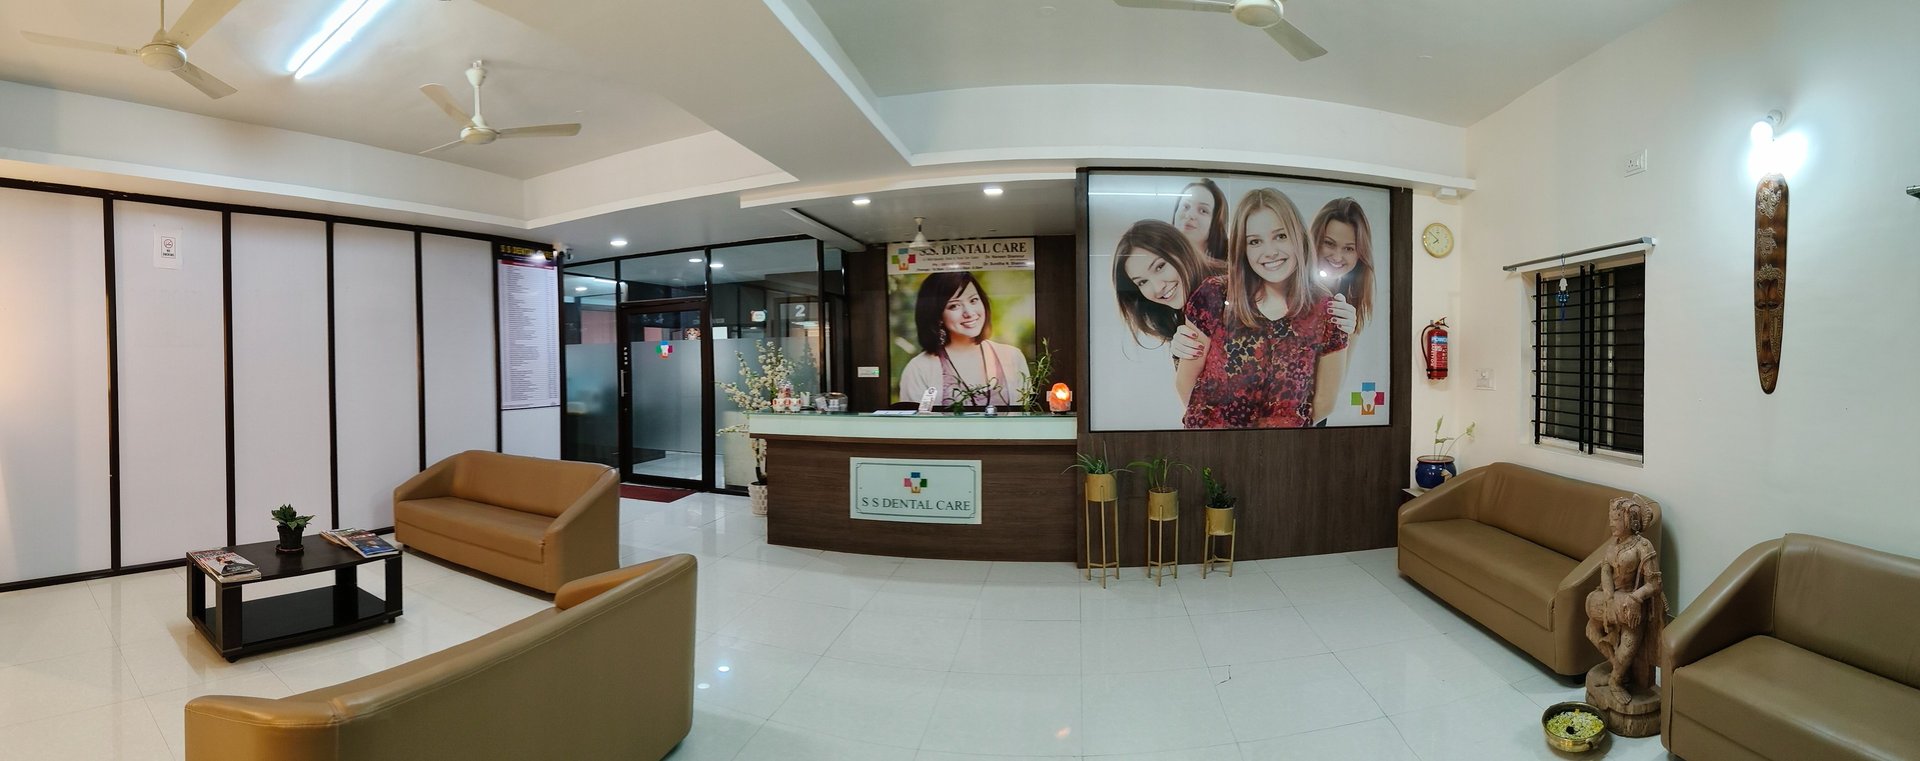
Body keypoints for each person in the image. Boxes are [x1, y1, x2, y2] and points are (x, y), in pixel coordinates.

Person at [1177, 187, 1356, 428]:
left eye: (1280, 236)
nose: (1270, 252)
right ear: (1243, 249)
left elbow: (1325, 401)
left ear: (1297, 237)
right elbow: (1186, 383)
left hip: (1287, 451)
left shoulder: (1326, 308)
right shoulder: (1213, 294)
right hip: (1214, 448)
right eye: (1255, 241)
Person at [897, 271, 1030, 407]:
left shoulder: (1013, 357)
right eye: (954, 306)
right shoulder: (919, 368)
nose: (969, 313)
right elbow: (915, 425)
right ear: (937, 316)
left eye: (973, 300)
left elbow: (1026, 414)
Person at [1111, 220, 1221, 374]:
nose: (1157, 287)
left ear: (1181, 251)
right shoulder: (1188, 318)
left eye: (1160, 267)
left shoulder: (1234, 290)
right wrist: (1181, 356)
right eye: (1142, 282)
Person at [1307, 197, 1376, 424]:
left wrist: (1345, 335)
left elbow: (1335, 385)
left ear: (1360, 254)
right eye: (1329, 243)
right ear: (1314, 240)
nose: (1337, 256)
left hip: (1314, 415)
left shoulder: (1353, 300)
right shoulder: (1290, 287)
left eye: (1349, 248)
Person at [1171, 179, 1228, 262]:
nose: (1190, 215)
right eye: (1186, 206)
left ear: (1215, 223)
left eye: (1203, 210)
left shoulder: (1230, 270)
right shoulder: (1155, 255)